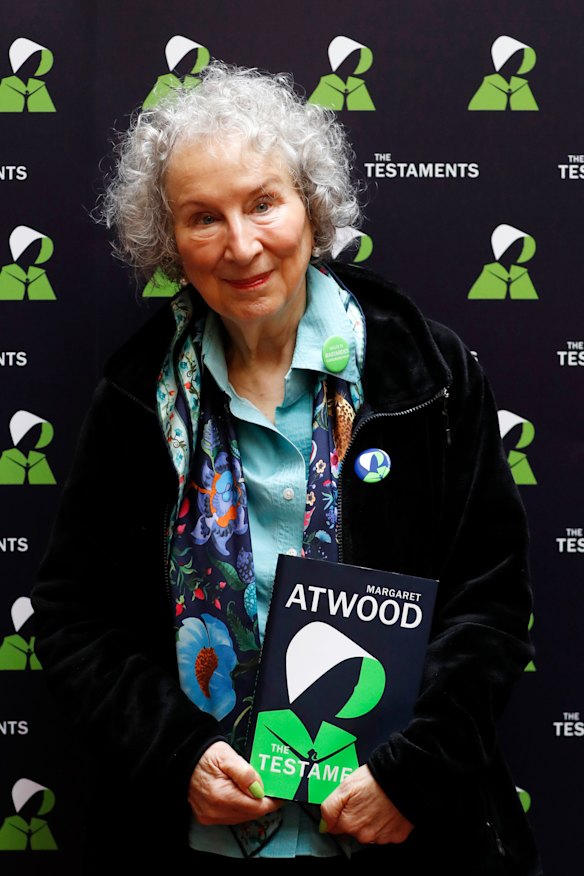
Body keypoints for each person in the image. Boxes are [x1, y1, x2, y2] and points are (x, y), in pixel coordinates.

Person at [32, 62, 541, 872]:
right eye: (204, 218)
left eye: (263, 203)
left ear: (310, 206)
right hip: (199, 840)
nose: (241, 246)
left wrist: (410, 775)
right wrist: (178, 757)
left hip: (396, 833)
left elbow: (490, 604)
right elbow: (75, 618)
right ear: (170, 242)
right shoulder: (136, 399)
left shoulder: (426, 375)